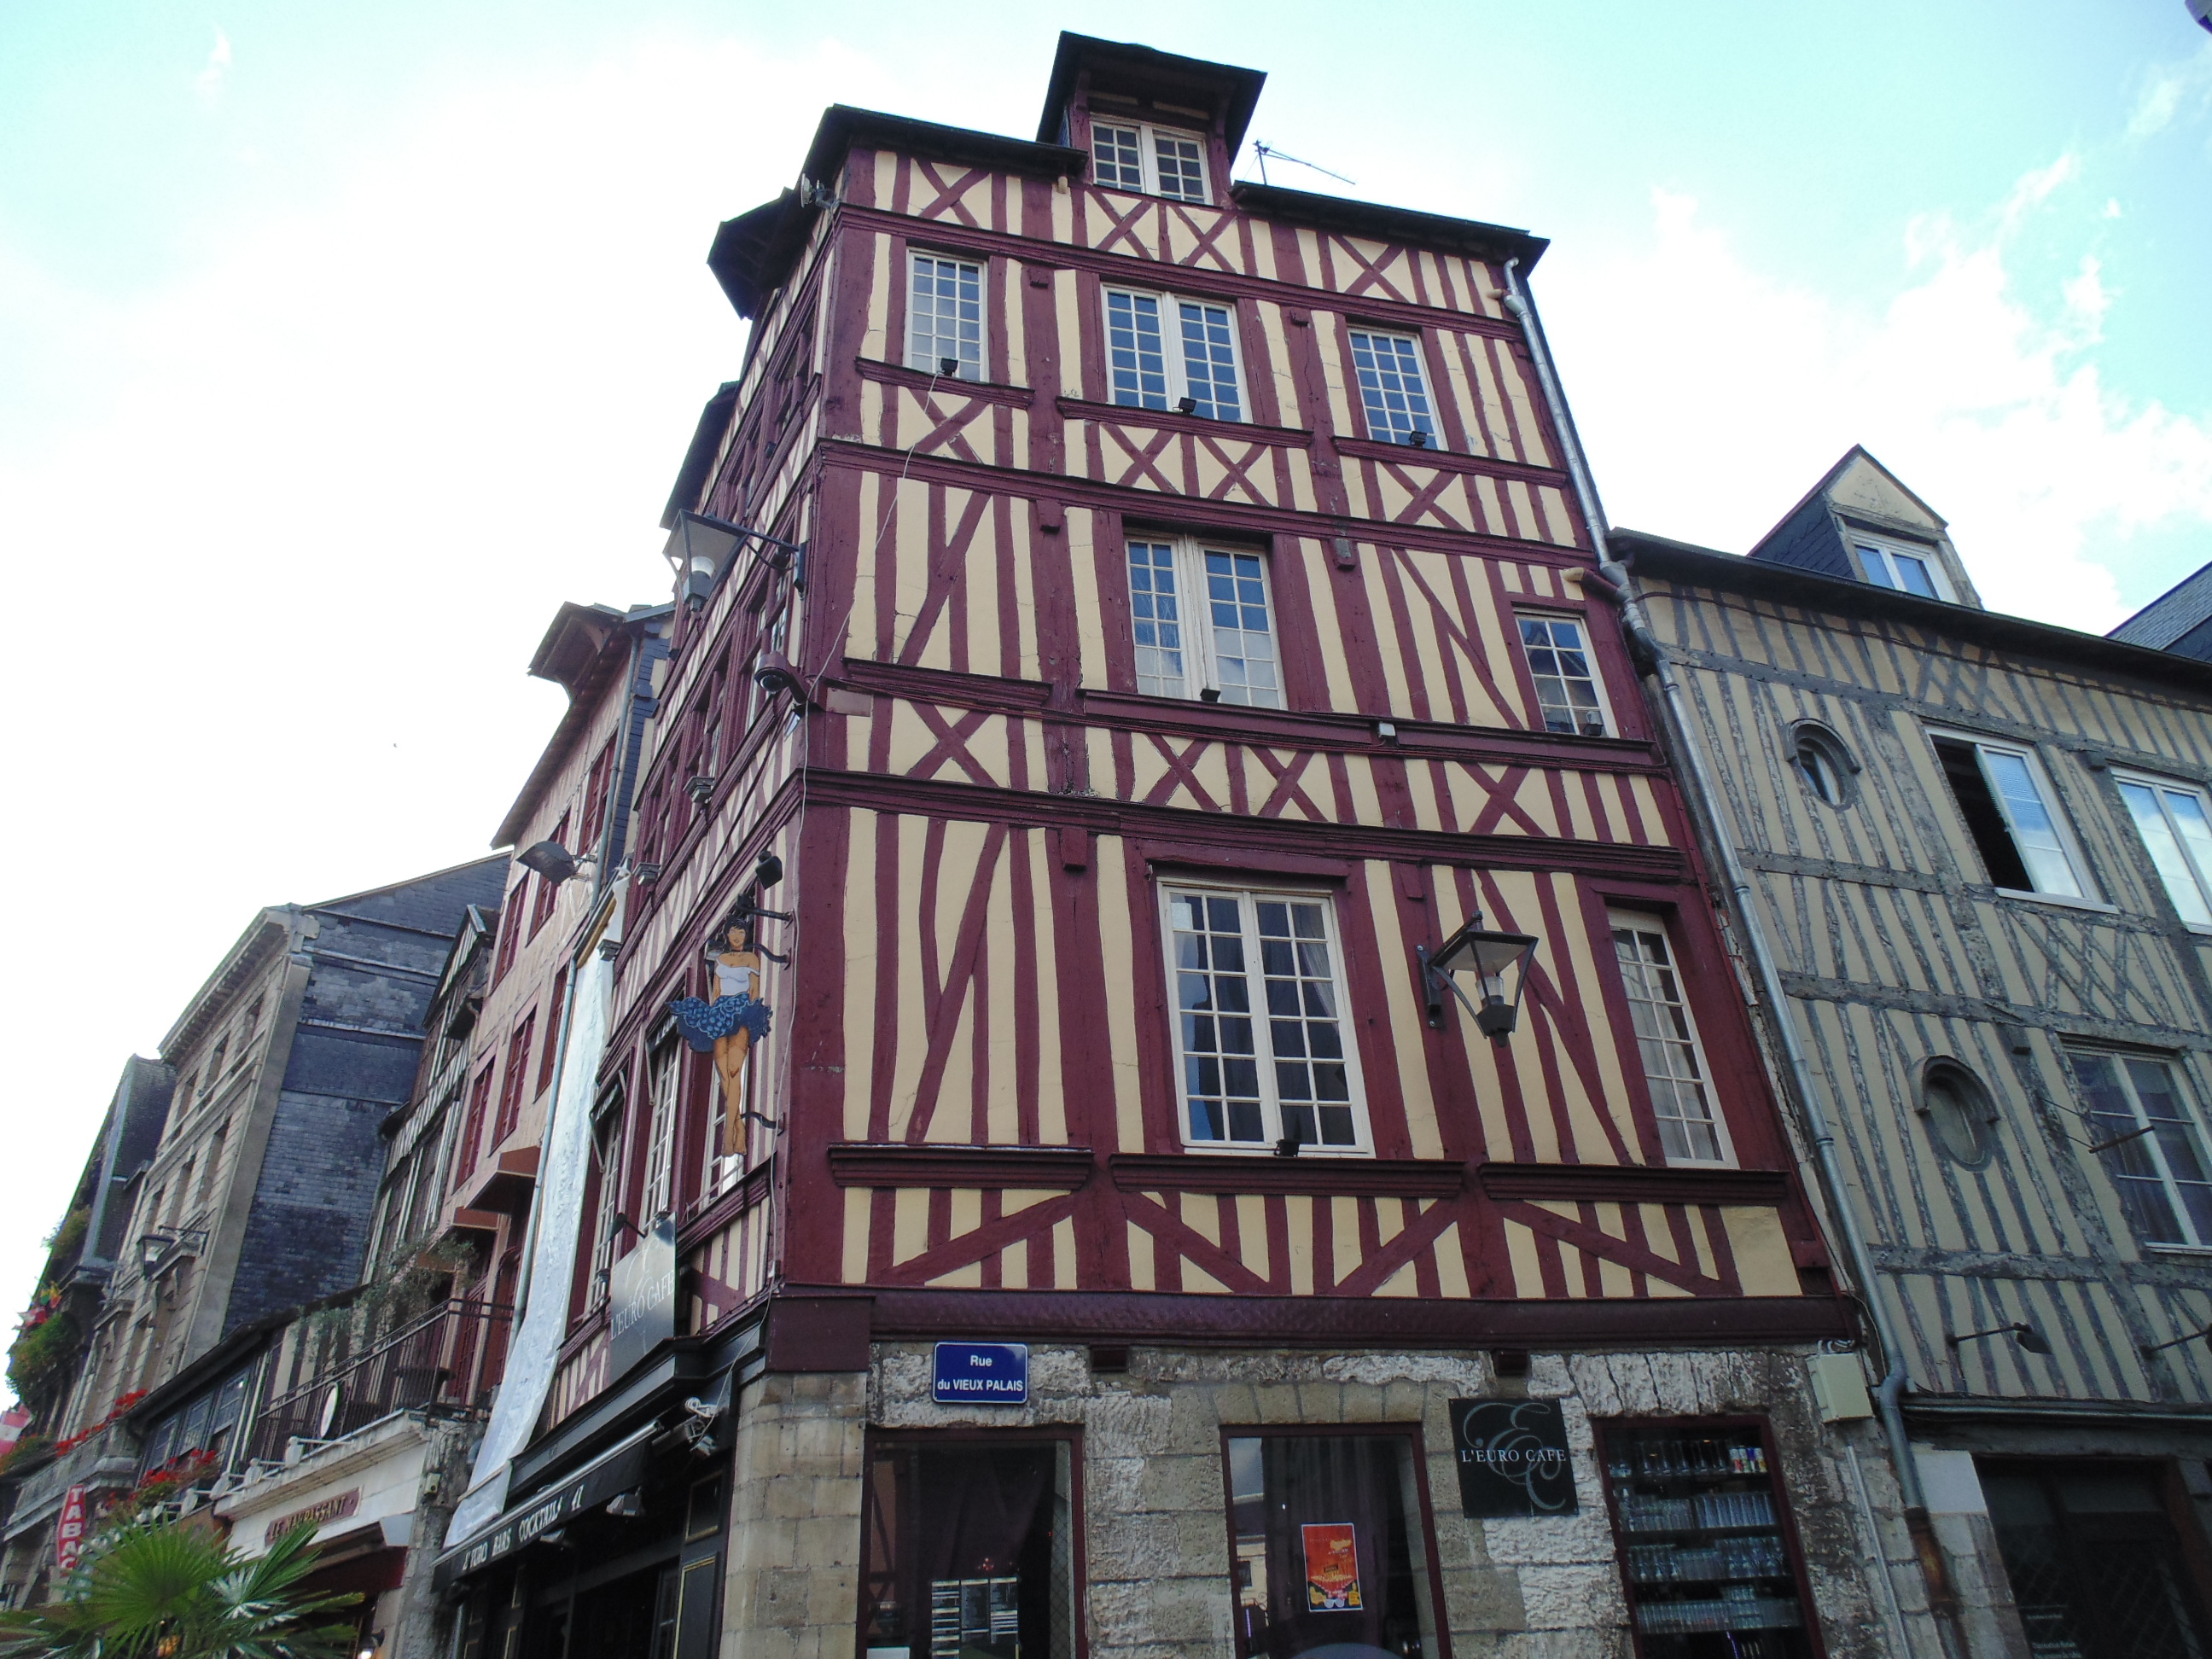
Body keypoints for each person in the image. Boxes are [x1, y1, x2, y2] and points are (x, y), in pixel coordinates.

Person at [668, 910, 773, 1157]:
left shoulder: (751, 959)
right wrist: (713, 1015)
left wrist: (751, 1013)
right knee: (723, 1071)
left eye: (742, 932)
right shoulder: (721, 960)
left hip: (742, 1010)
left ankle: (729, 1137)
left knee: (735, 1070)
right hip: (720, 1010)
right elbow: (716, 990)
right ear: (727, 935)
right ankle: (738, 1125)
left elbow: (754, 989)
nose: (737, 936)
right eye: (733, 932)